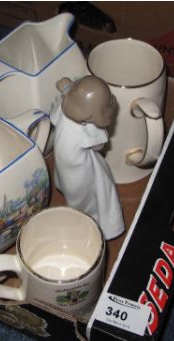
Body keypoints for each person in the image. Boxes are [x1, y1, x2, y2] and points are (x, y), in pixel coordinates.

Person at [50, 75, 125, 240]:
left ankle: (82, 215)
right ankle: (91, 219)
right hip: (80, 169)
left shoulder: (63, 112)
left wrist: (67, 89)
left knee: (75, 191)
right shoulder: (85, 129)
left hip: (66, 164)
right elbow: (99, 146)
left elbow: (73, 99)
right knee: (92, 192)